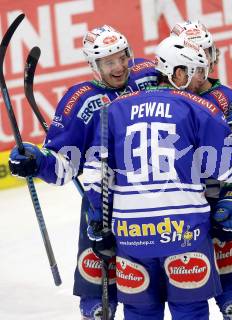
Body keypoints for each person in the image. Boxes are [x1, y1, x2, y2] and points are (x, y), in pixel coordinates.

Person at [82, 35, 232, 320]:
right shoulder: (199, 107)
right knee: (189, 311)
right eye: (198, 71)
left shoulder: (113, 110)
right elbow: (228, 169)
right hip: (184, 232)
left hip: (131, 236)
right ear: (178, 73)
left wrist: (99, 220)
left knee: (140, 313)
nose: (204, 79)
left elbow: (93, 175)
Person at [9, 25, 158, 319]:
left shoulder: (149, 74)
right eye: (108, 62)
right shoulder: (80, 100)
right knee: (97, 304)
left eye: (122, 57)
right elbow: (63, 164)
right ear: (94, 66)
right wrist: (37, 161)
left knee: (148, 295)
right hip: (100, 203)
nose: (119, 67)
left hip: (150, 200)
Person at [170, 20, 232, 320]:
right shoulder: (157, 94)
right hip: (175, 210)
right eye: (196, 51)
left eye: (207, 50)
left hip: (217, 202)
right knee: (186, 294)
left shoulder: (229, 100)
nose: (204, 59)